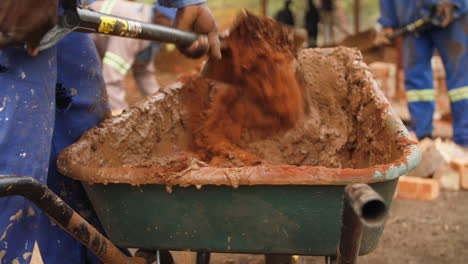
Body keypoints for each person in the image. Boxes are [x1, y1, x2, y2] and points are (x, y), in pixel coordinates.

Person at [0, 0, 220, 263]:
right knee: (16, 173)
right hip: (12, 14)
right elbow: (115, 75)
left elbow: (143, 73)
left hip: (60, 10)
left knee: (88, 153)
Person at [374, 0, 467, 149]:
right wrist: (388, 22)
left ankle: (464, 140)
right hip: (411, 19)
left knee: (461, 82)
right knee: (416, 84)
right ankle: (422, 135)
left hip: (451, 16)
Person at [90, 0, 177, 113]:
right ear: (160, 16)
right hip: (84, 37)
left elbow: (144, 72)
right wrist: (121, 114)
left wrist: (160, 107)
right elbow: (111, 78)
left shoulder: (153, 28)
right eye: (175, 23)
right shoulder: (132, 30)